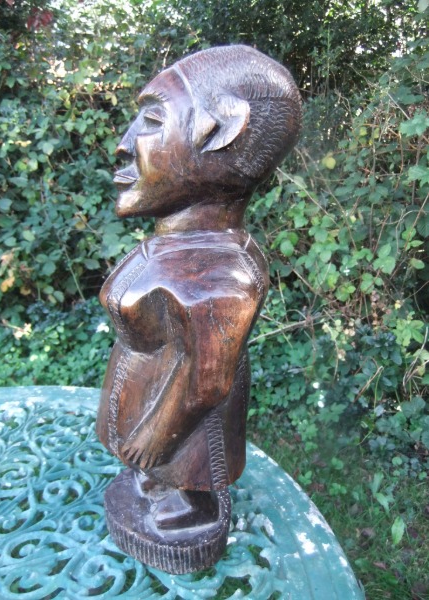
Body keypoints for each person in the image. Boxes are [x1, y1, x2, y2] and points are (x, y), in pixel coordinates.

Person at [96, 45, 301, 570]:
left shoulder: (219, 275)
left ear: (222, 136)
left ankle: (189, 500)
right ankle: (159, 479)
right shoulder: (177, 246)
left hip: (181, 427)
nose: (123, 144)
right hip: (149, 397)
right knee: (152, 472)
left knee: (185, 474)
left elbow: (207, 382)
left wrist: (154, 437)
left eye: (152, 120)